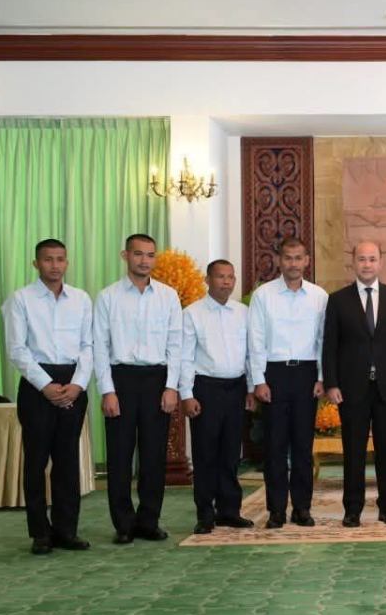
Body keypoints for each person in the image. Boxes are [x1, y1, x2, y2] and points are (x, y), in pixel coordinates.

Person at [2, 238, 93, 555]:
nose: (55, 265)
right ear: (36, 263)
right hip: (36, 384)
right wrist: (45, 385)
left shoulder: (81, 299)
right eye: (48, 259)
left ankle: (67, 530)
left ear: (67, 262)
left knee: (67, 461)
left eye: (60, 259)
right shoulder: (20, 299)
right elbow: (17, 349)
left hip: (73, 383)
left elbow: (88, 346)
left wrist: (78, 384)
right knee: (36, 461)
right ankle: (40, 533)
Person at [93, 233, 183, 545]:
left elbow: (176, 344)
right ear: (125, 256)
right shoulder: (108, 297)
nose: (144, 260)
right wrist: (107, 390)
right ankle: (123, 524)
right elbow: (100, 347)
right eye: (138, 254)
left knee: (153, 456)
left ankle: (149, 521)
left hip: (157, 380)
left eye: (150, 255)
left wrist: (171, 387)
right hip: (121, 380)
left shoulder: (168, 296)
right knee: (119, 456)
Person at [322, 241, 386, 528]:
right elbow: (330, 345)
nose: (367, 264)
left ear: (380, 263)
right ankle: (352, 509)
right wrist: (331, 383)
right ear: (353, 262)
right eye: (362, 259)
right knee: (353, 451)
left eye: (372, 259)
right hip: (351, 388)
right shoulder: (338, 300)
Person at [248, 237, 327, 530]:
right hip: (274, 375)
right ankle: (277, 510)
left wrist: (322, 377)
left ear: (307, 261)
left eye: (298, 258)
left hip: (307, 375)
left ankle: (302, 508)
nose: (293, 263)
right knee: (275, 447)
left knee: (304, 447)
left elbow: (323, 340)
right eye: (288, 258)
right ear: (279, 260)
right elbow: (255, 340)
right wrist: (258, 380)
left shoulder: (319, 296)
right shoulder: (263, 295)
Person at [178, 259, 256, 535]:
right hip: (205, 389)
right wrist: (186, 394)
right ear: (207, 280)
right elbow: (185, 357)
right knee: (205, 453)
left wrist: (251, 388)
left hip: (236, 388)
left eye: (230, 277)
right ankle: (205, 514)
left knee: (231, 453)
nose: (226, 282)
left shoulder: (243, 313)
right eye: (220, 276)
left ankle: (229, 511)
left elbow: (251, 353)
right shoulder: (192, 313)